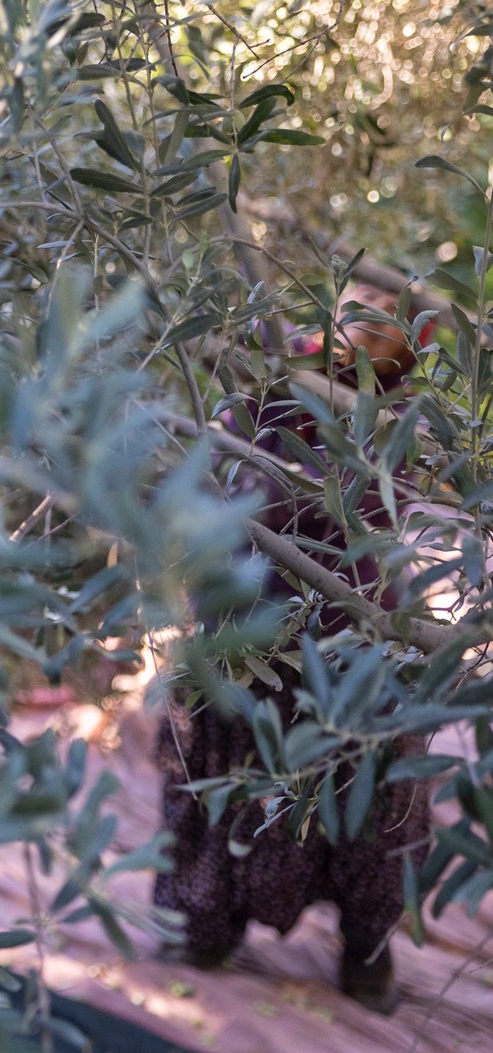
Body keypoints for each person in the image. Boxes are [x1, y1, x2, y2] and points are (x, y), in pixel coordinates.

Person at [155, 282, 434, 1013]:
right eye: (355, 305)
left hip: (360, 637)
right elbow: (215, 454)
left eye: (382, 320)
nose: (359, 321)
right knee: (223, 768)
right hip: (249, 622)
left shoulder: (406, 418)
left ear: (404, 347)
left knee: (374, 797)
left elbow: (371, 508)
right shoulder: (278, 380)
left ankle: (366, 952)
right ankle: (207, 923)